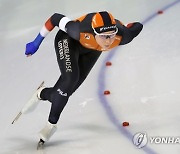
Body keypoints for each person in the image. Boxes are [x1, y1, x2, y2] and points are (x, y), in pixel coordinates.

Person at [20, 11, 143, 144]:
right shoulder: (77, 30)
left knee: (66, 91)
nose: (108, 41)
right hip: (68, 41)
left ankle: (42, 93)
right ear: (95, 32)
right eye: (103, 36)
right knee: (70, 79)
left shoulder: (123, 36)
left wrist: (123, 25)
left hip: (93, 50)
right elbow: (55, 18)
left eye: (111, 35)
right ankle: (50, 125)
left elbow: (137, 25)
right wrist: (36, 42)